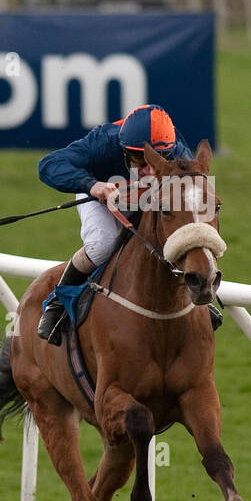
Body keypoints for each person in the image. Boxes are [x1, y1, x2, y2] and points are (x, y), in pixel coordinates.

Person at [34, 103, 216, 344]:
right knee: (103, 245)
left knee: (164, 237)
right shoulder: (104, 141)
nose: (149, 170)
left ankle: (196, 295)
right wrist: (92, 185)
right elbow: (48, 165)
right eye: (137, 160)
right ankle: (57, 302)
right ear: (122, 151)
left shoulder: (177, 152)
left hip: (148, 199)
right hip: (100, 193)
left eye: (158, 159)